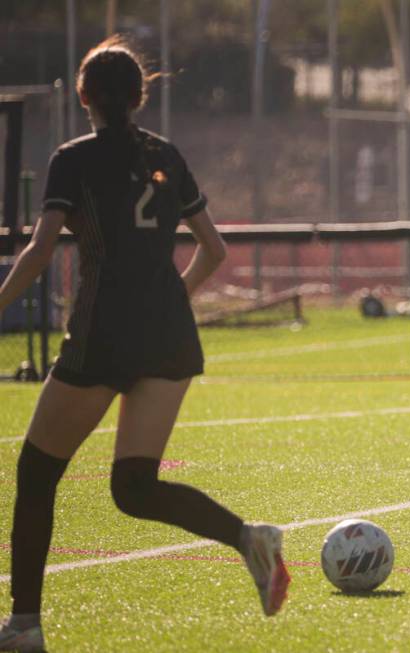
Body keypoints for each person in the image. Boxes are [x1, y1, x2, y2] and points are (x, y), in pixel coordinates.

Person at [0, 38, 289, 652]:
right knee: (133, 487)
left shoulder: (71, 159)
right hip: (167, 336)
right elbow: (214, 251)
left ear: (84, 97)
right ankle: (248, 538)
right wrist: (172, 301)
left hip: (104, 333)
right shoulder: (166, 154)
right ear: (141, 96)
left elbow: (40, 250)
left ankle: (24, 626)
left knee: (37, 471)